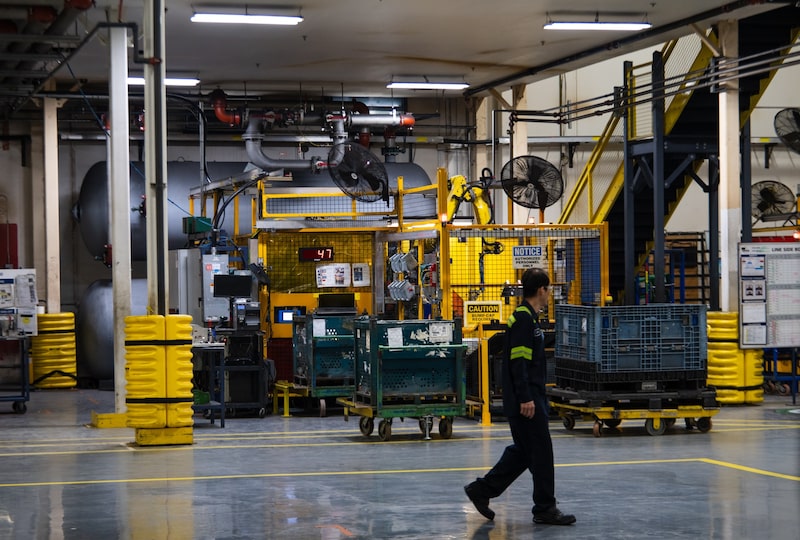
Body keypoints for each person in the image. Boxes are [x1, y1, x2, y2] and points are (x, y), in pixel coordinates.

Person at [464, 267, 575, 526]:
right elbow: (518, 362)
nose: (549, 295)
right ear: (541, 290)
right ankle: (545, 508)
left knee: (524, 453)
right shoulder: (524, 319)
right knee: (542, 453)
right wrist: (526, 398)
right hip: (527, 400)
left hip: (527, 397)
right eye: (548, 290)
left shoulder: (526, 317)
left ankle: (482, 490)